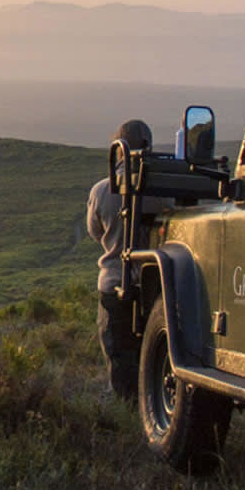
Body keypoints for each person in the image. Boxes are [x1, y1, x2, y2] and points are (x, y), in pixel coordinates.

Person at [88, 119, 153, 402]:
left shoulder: (102, 190)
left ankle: (125, 420)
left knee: (119, 358)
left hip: (114, 283)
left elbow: (95, 232)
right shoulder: (166, 187)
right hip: (153, 288)